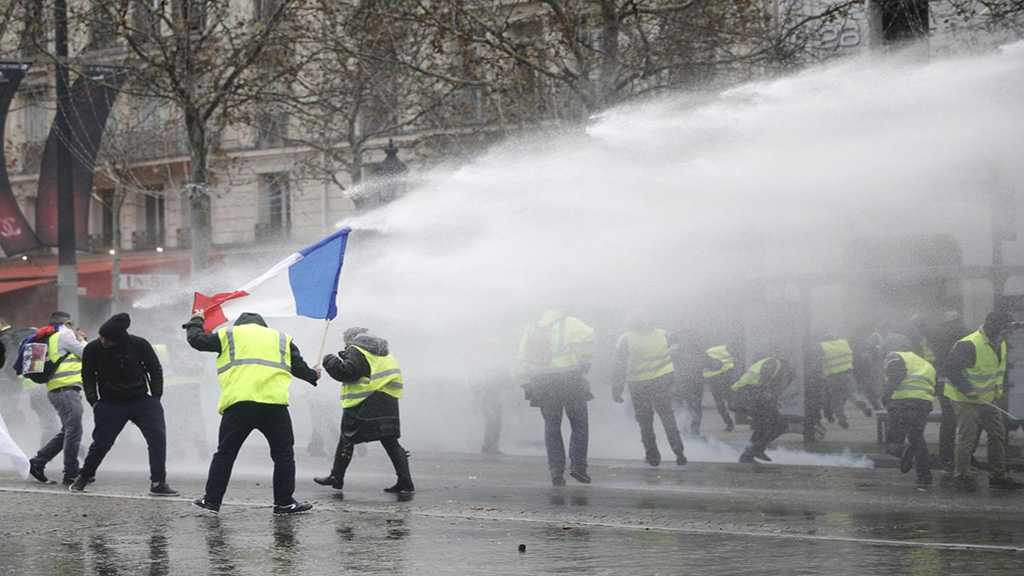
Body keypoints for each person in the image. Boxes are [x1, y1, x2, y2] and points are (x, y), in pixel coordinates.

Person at [184, 311, 320, 514]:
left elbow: (197, 340)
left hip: (240, 404)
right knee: (283, 455)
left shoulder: (229, 335)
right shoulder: (281, 338)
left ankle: (211, 501)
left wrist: (197, 320)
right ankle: (284, 503)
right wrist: (313, 375)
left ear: (240, 324)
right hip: (274, 406)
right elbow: (298, 367)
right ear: (263, 325)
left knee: (225, 454)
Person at [70, 313, 177, 495]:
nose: (103, 341)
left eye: (108, 339)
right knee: (101, 443)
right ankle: (84, 477)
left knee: (157, 439)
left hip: (141, 400)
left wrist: (156, 397)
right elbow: (87, 375)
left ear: (119, 339)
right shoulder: (93, 349)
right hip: (110, 404)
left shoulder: (139, 344)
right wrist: (93, 401)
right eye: (101, 336)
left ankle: (158, 482)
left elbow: (155, 369)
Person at [314, 327, 414, 494]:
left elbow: (348, 372)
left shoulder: (357, 349)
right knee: (390, 441)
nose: (346, 346)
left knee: (347, 439)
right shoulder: (383, 352)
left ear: (351, 339)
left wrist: (329, 360)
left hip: (364, 401)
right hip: (387, 401)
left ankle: (336, 478)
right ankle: (405, 481)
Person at [945, 311, 1024, 491]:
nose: (1006, 332)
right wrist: (967, 389)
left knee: (997, 434)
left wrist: (999, 392)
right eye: (1004, 328)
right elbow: (951, 369)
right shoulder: (968, 343)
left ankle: (998, 475)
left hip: (988, 399)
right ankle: (962, 475)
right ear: (992, 324)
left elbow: (998, 371)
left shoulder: (1000, 343)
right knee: (968, 437)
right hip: (964, 399)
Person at [519, 309, 594, 486]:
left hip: (543, 382)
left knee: (552, 427)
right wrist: (584, 361)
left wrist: (527, 382)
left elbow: (522, 357)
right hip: (570, 379)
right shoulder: (572, 323)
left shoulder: (532, 328)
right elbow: (590, 338)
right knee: (579, 424)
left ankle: (556, 472)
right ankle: (578, 466)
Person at [612, 322, 687, 466]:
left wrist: (617, 389)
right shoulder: (664, 334)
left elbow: (619, 365)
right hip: (662, 381)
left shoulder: (626, 338)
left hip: (638, 384)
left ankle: (652, 456)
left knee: (645, 422)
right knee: (667, 417)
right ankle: (679, 452)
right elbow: (679, 350)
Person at [28, 311, 87, 485]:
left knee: (68, 431)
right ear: (67, 323)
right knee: (74, 431)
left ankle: (38, 462)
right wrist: (82, 339)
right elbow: (86, 353)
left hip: (59, 390)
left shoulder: (51, 337)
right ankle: (71, 473)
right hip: (66, 390)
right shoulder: (64, 335)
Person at [882, 344, 936, 487]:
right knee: (917, 438)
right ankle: (925, 476)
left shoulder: (895, 356)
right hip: (923, 405)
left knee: (892, 443)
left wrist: (885, 398)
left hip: (903, 403)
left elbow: (895, 375)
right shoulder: (925, 364)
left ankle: (904, 451)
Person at [730, 356, 793, 463]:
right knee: (780, 424)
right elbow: (764, 385)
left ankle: (749, 454)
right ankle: (754, 450)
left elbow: (766, 388)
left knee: (764, 424)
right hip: (745, 395)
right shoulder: (775, 364)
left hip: (741, 396)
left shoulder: (771, 364)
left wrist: (772, 400)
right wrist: (771, 400)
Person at [931, 310, 968, 470]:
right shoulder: (960, 336)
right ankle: (950, 457)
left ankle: (948, 457)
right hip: (950, 382)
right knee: (954, 422)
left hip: (946, 382)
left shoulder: (941, 337)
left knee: (951, 422)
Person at [814, 337, 859, 429]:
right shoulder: (843, 344)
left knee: (833, 400)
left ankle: (838, 418)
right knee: (847, 395)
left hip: (831, 377)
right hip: (847, 374)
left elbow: (817, 363)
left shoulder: (822, 348)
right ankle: (857, 400)